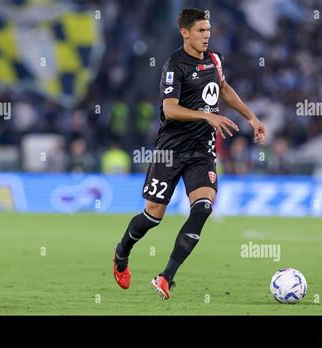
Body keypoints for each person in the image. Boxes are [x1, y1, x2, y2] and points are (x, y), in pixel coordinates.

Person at [113, 8, 267, 300]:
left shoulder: (214, 60)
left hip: (201, 152)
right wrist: (206, 117)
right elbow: (170, 109)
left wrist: (251, 117)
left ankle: (166, 277)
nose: (206, 36)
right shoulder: (174, 66)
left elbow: (223, 88)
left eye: (208, 30)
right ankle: (121, 252)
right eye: (200, 31)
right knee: (153, 216)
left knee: (204, 207)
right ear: (185, 32)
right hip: (170, 152)